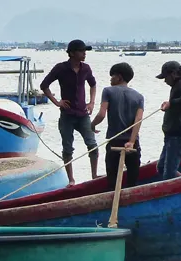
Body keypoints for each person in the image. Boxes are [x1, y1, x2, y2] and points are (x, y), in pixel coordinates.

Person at [40, 39, 98, 185]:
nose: (84, 53)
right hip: (67, 114)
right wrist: (56, 102)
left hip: (83, 114)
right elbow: (44, 85)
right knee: (67, 148)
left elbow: (93, 84)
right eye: (81, 51)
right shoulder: (61, 68)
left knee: (92, 144)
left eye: (85, 51)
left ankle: (94, 176)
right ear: (72, 53)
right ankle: (71, 179)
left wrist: (91, 102)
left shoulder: (86, 68)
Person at [90, 63, 144, 191]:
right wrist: (131, 141)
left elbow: (102, 114)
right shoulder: (139, 97)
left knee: (112, 182)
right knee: (132, 182)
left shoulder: (108, 91)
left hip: (115, 142)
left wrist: (92, 125)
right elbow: (138, 120)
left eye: (112, 76)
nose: (110, 79)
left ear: (119, 77)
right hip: (132, 144)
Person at [156, 60, 181, 181]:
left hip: (178, 137)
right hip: (171, 136)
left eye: (166, 77)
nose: (165, 81)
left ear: (173, 74)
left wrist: (171, 103)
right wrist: (168, 105)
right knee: (162, 167)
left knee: (169, 174)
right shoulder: (176, 86)